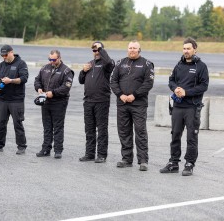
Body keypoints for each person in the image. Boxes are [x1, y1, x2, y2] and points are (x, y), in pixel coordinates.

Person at [160, 37, 209, 176]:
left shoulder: (201, 66)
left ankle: (189, 164)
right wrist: (175, 89)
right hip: (177, 107)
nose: (186, 51)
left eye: (188, 48)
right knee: (175, 135)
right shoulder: (179, 65)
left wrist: (186, 92)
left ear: (195, 49)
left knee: (191, 137)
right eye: (184, 48)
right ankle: (173, 163)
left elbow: (204, 86)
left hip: (192, 108)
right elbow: (171, 80)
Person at [110, 40, 154, 171]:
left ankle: (143, 160)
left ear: (139, 50)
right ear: (127, 49)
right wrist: (120, 95)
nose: (132, 50)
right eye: (130, 48)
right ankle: (126, 159)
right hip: (122, 103)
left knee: (140, 131)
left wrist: (134, 95)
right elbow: (113, 81)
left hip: (138, 104)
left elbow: (148, 83)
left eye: (135, 48)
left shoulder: (146, 64)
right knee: (124, 131)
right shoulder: (120, 63)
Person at [0, 45, 29, 155]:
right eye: (2, 55)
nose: (4, 57)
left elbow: (24, 78)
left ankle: (21, 146)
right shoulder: (0, 65)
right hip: (3, 99)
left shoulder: (21, 63)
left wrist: (10, 80)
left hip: (16, 100)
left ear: (11, 52)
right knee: (1, 123)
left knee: (17, 123)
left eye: (5, 55)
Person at [78, 42, 115, 163]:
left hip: (101, 101)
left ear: (103, 50)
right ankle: (89, 154)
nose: (96, 52)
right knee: (89, 129)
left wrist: (101, 49)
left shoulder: (107, 64)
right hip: (88, 101)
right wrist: (83, 71)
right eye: (94, 50)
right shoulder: (90, 64)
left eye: (98, 50)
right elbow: (80, 80)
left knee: (102, 129)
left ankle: (102, 155)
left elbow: (109, 63)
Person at [34, 50, 74, 159]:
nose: (51, 61)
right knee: (47, 127)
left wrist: (54, 93)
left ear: (59, 58)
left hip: (59, 102)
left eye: (54, 59)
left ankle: (58, 150)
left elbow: (66, 87)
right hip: (46, 101)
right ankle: (46, 149)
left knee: (58, 127)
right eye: (50, 59)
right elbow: (37, 80)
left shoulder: (66, 71)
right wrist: (39, 88)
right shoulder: (44, 68)